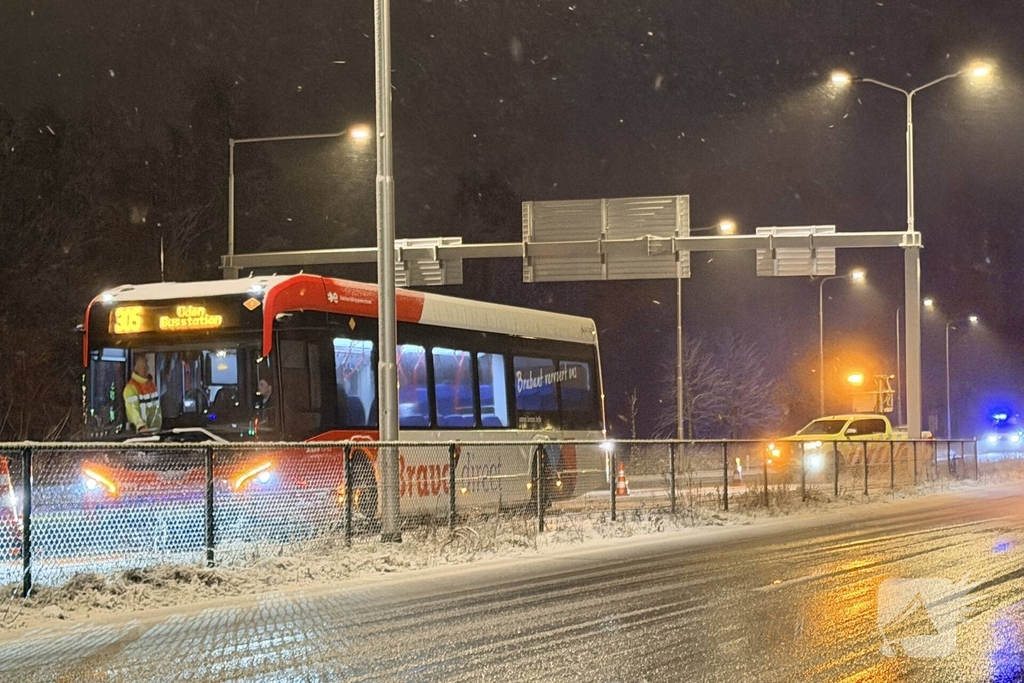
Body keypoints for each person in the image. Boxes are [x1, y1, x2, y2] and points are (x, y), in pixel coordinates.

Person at [124, 355, 162, 433]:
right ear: (135, 368)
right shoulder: (131, 388)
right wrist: (141, 427)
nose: (146, 368)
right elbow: (133, 411)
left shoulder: (151, 384)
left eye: (146, 365)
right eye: (143, 366)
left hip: (156, 433)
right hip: (141, 436)